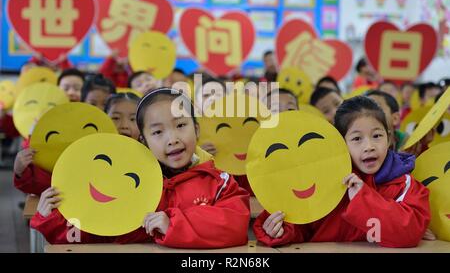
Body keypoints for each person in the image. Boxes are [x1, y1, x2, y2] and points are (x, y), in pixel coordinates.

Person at [254, 96, 430, 248]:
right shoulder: (322, 179)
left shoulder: (404, 183)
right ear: (339, 143)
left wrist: (363, 199)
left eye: (377, 136)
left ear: (389, 138)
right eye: (356, 139)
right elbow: (305, 226)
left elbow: (409, 231)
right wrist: (281, 230)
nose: (369, 147)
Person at [137, 88, 250, 248]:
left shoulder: (219, 182)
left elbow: (236, 224)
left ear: (196, 130)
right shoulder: (138, 186)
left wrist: (173, 223)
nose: (172, 139)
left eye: (181, 125)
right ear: (144, 142)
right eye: (157, 132)